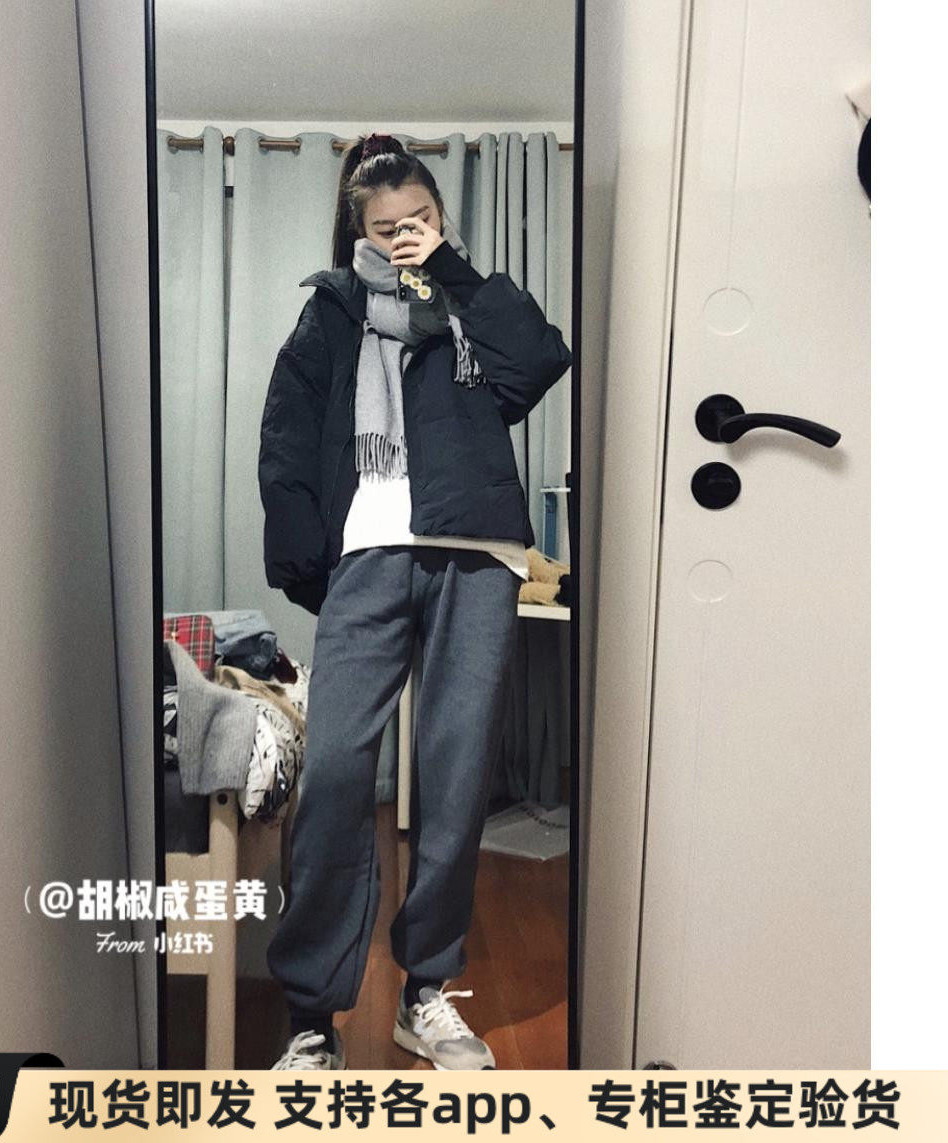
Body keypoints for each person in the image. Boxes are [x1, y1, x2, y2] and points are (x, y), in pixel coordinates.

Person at [258, 132, 572, 1070]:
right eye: (386, 226)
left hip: (475, 552)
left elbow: (539, 361)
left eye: (420, 220)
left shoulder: (468, 306)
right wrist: (309, 565)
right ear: (357, 231)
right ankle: (311, 1014)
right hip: (367, 554)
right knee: (336, 775)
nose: (403, 235)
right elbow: (286, 439)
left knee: (457, 775)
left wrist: (453, 273)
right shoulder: (331, 312)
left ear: (440, 219)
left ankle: (426, 990)